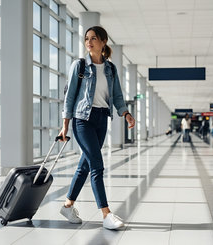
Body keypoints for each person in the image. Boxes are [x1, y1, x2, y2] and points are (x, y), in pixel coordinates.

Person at [58, 26, 136, 230]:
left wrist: (125, 113)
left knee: (85, 166)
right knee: (97, 166)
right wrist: (65, 126)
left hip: (102, 120)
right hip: (82, 120)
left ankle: (67, 205)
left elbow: (117, 95)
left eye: (93, 38)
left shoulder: (110, 69)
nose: (89, 42)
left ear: (103, 42)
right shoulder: (80, 66)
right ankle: (106, 213)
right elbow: (70, 97)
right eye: (86, 38)